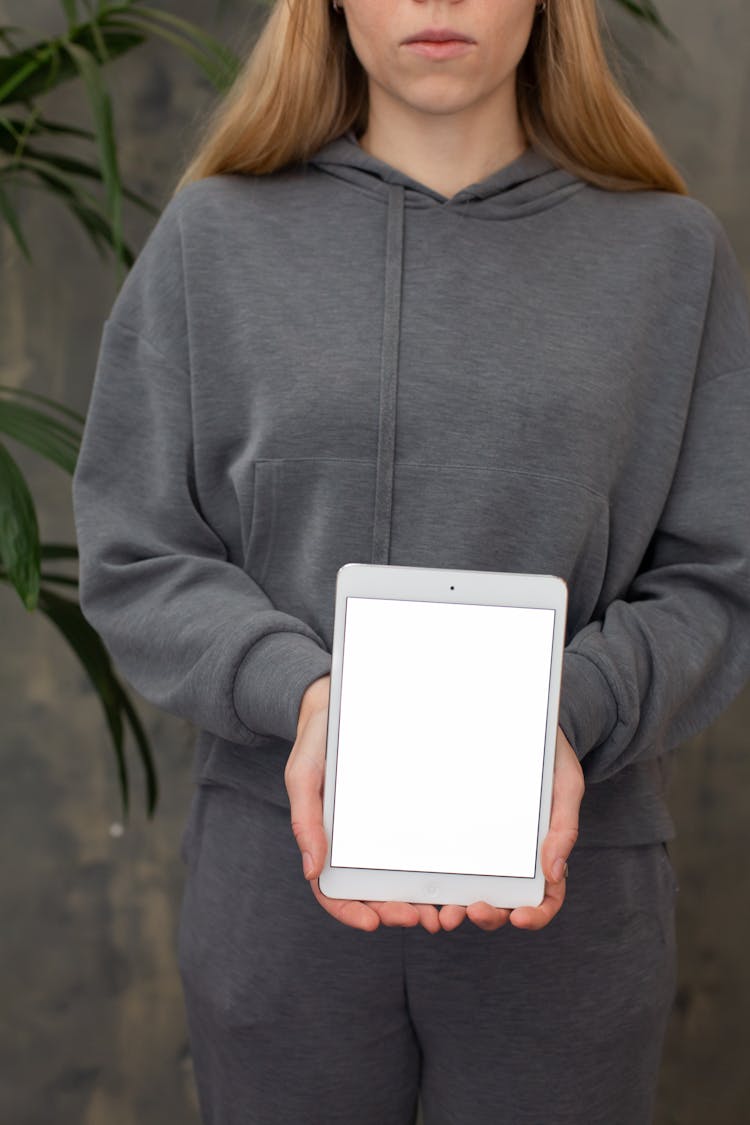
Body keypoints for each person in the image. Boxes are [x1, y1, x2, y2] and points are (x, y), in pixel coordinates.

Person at [71, 1, 750, 1122]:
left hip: (573, 891)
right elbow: (138, 549)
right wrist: (309, 697)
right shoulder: (215, 240)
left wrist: (560, 718)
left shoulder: (670, 257)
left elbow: (718, 574)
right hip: (279, 891)